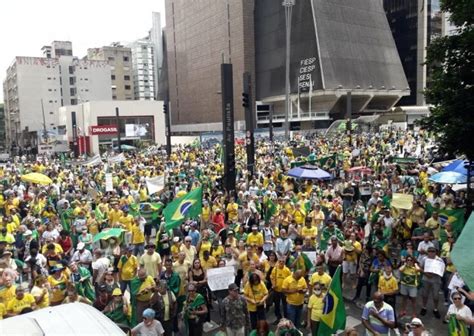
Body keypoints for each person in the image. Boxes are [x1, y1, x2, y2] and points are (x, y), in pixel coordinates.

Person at [419, 247, 444, 319]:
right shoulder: (424, 259)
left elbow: (442, 270)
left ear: (435, 252)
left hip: (436, 280)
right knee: (424, 294)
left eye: (433, 251)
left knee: (436, 296)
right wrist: (426, 274)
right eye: (429, 251)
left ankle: (435, 309)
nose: (431, 253)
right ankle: (424, 307)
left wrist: (436, 272)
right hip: (426, 279)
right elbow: (420, 267)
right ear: (427, 252)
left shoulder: (439, 260)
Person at [270, 256, 291, 323]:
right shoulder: (275, 269)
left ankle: (286, 319)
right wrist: (273, 284)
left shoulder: (287, 270)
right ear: (278, 262)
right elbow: (272, 277)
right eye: (280, 261)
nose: (281, 262)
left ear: (285, 262)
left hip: (284, 291)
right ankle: (278, 318)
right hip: (276, 291)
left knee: (285, 306)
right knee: (277, 305)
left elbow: (290, 280)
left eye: (283, 261)